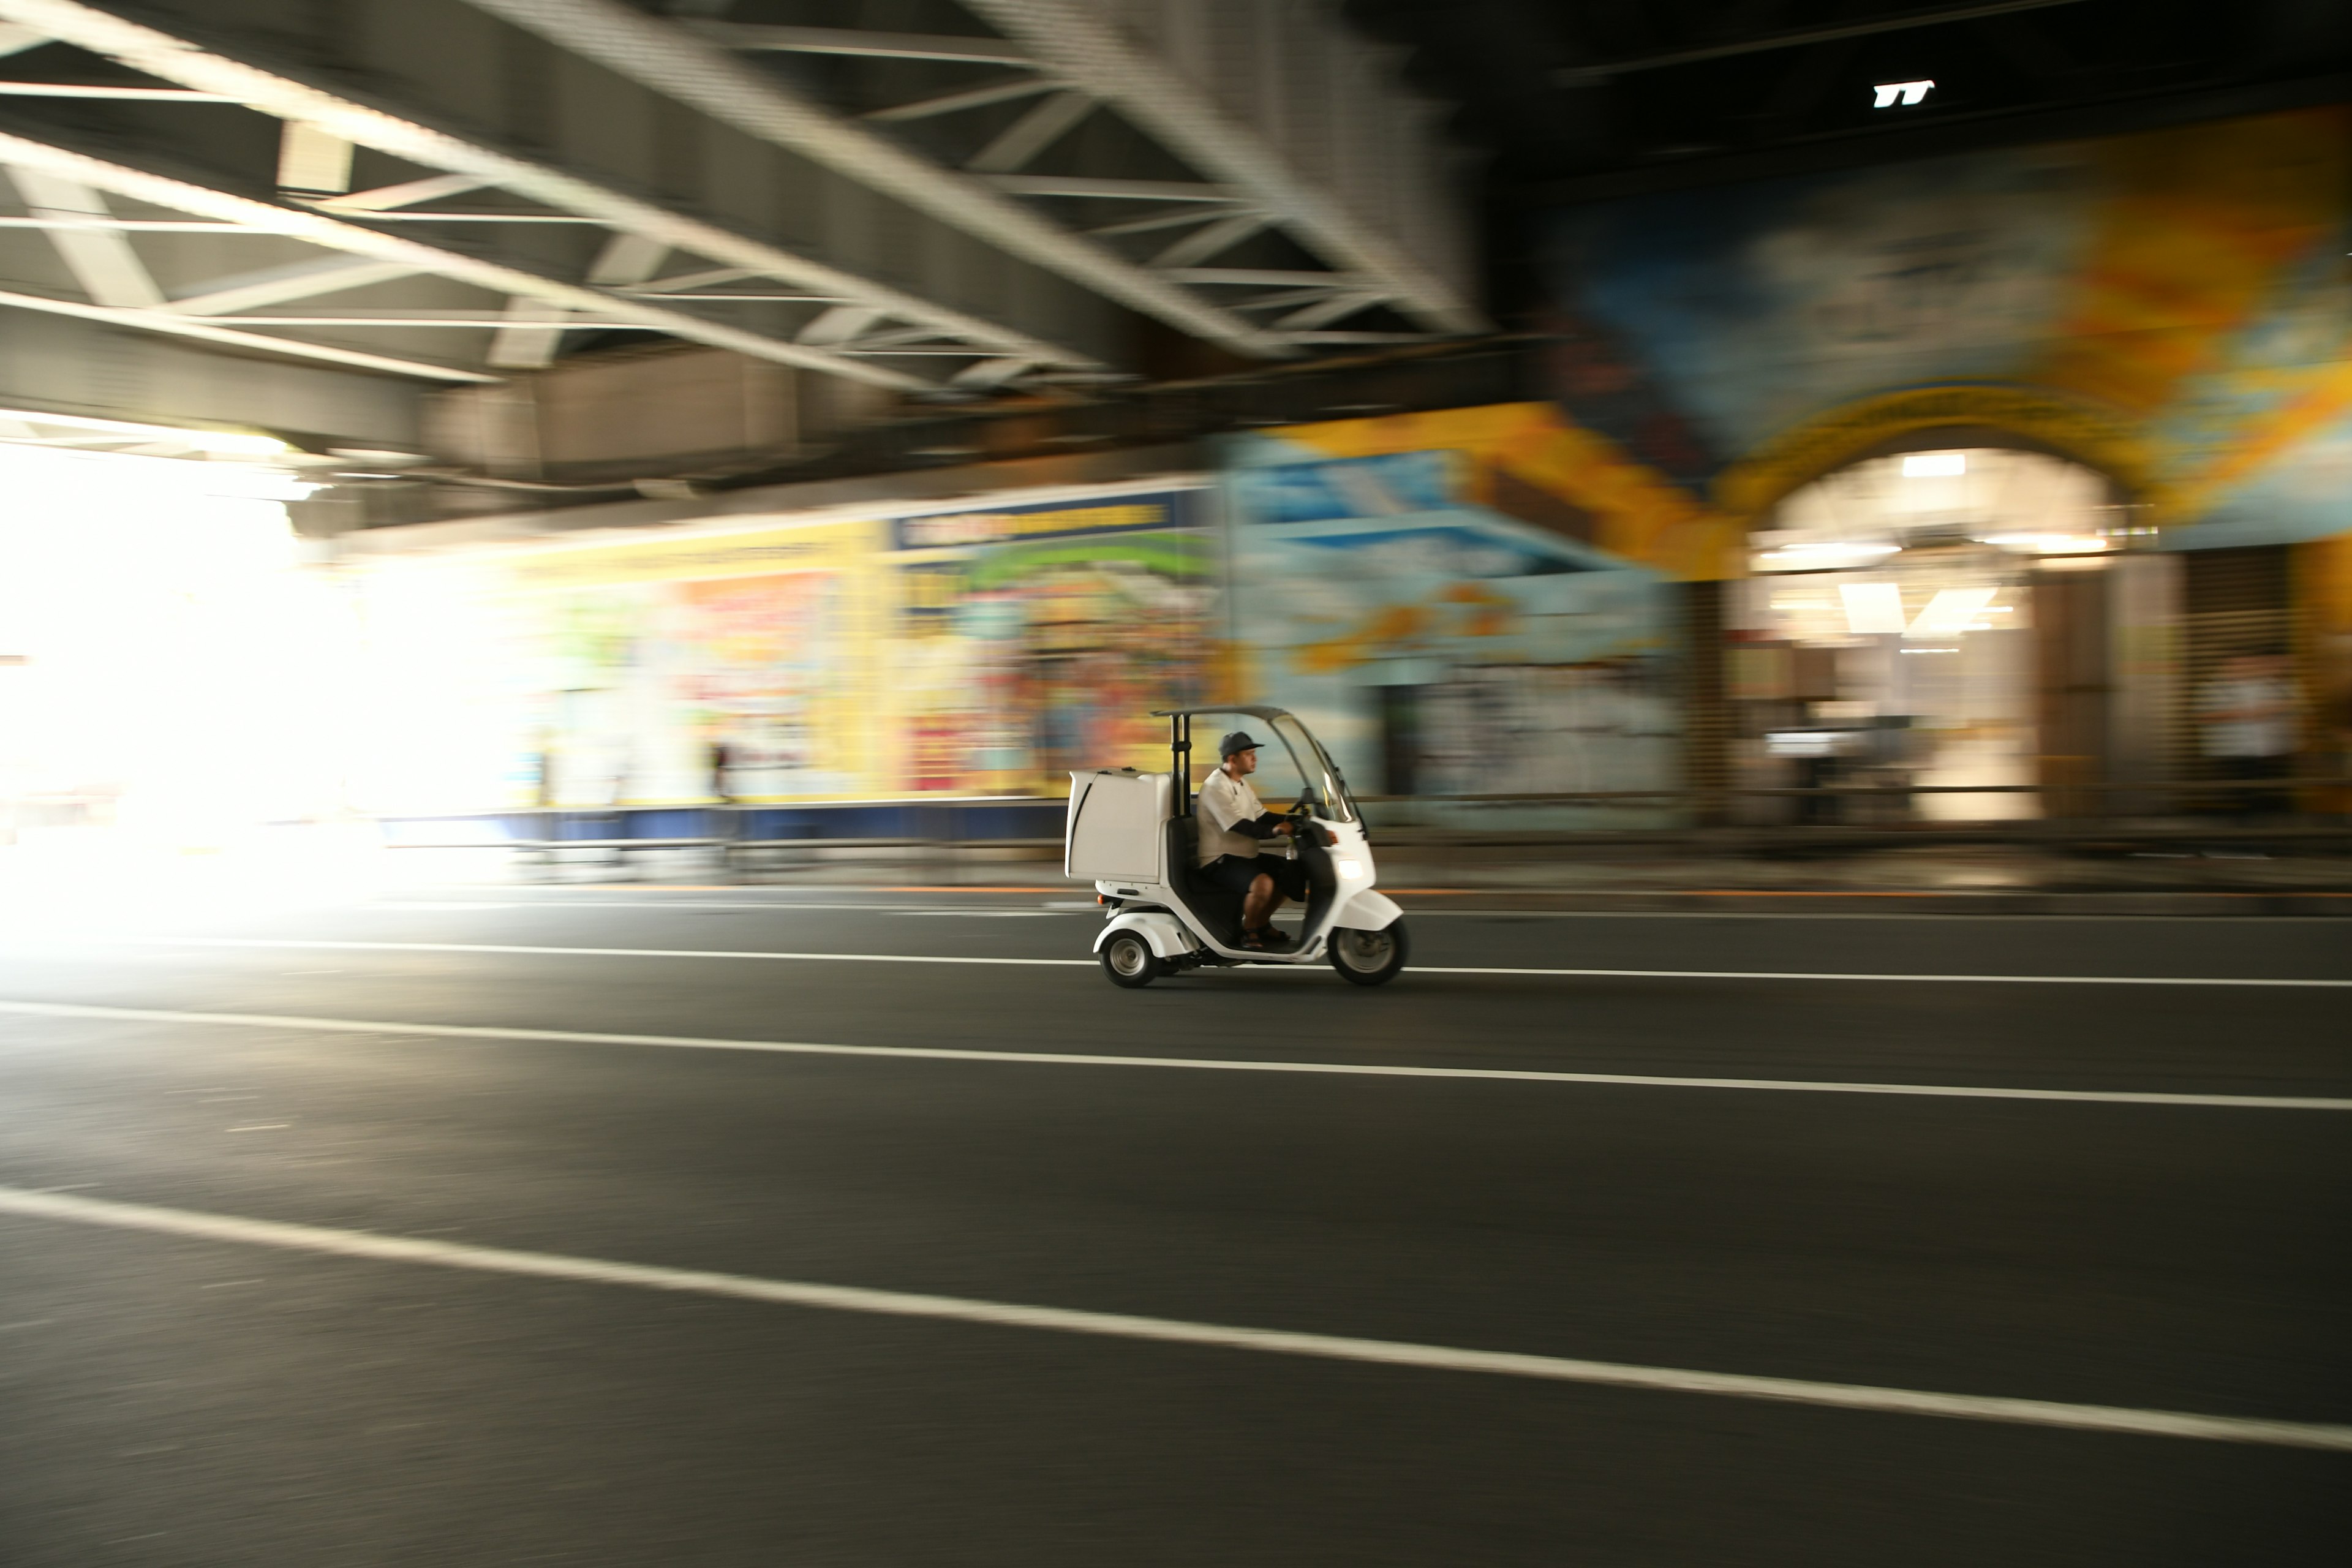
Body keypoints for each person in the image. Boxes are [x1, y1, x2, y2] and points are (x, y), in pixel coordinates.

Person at [1196, 730, 1309, 951]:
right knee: (1263, 883)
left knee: (1291, 871)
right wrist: (1277, 831)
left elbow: (1261, 815)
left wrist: (1298, 820)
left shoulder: (1241, 783)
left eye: (1253, 753)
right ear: (1232, 759)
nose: (1255, 758)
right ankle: (1248, 931)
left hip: (1244, 856)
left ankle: (1261, 924)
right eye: (1249, 754)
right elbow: (1241, 826)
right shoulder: (1215, 787)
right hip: (1218, 859)